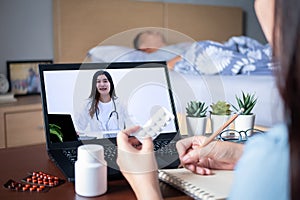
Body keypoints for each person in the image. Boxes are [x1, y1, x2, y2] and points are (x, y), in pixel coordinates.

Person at [116, 0, 299, 199]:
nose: (158, 35)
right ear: (145, 48)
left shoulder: (274, 160)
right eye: (151, 35)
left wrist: (145, 187)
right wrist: (240, 154)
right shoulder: (157, 56)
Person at [74, 70, 131, 136]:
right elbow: (79, 126)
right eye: (98, 81)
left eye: (105, 81)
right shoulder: (88, 105)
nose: (102, 84)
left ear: (110, 83)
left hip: (117, 142)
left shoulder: (121, 104)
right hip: (97, 143)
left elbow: (131, 123)